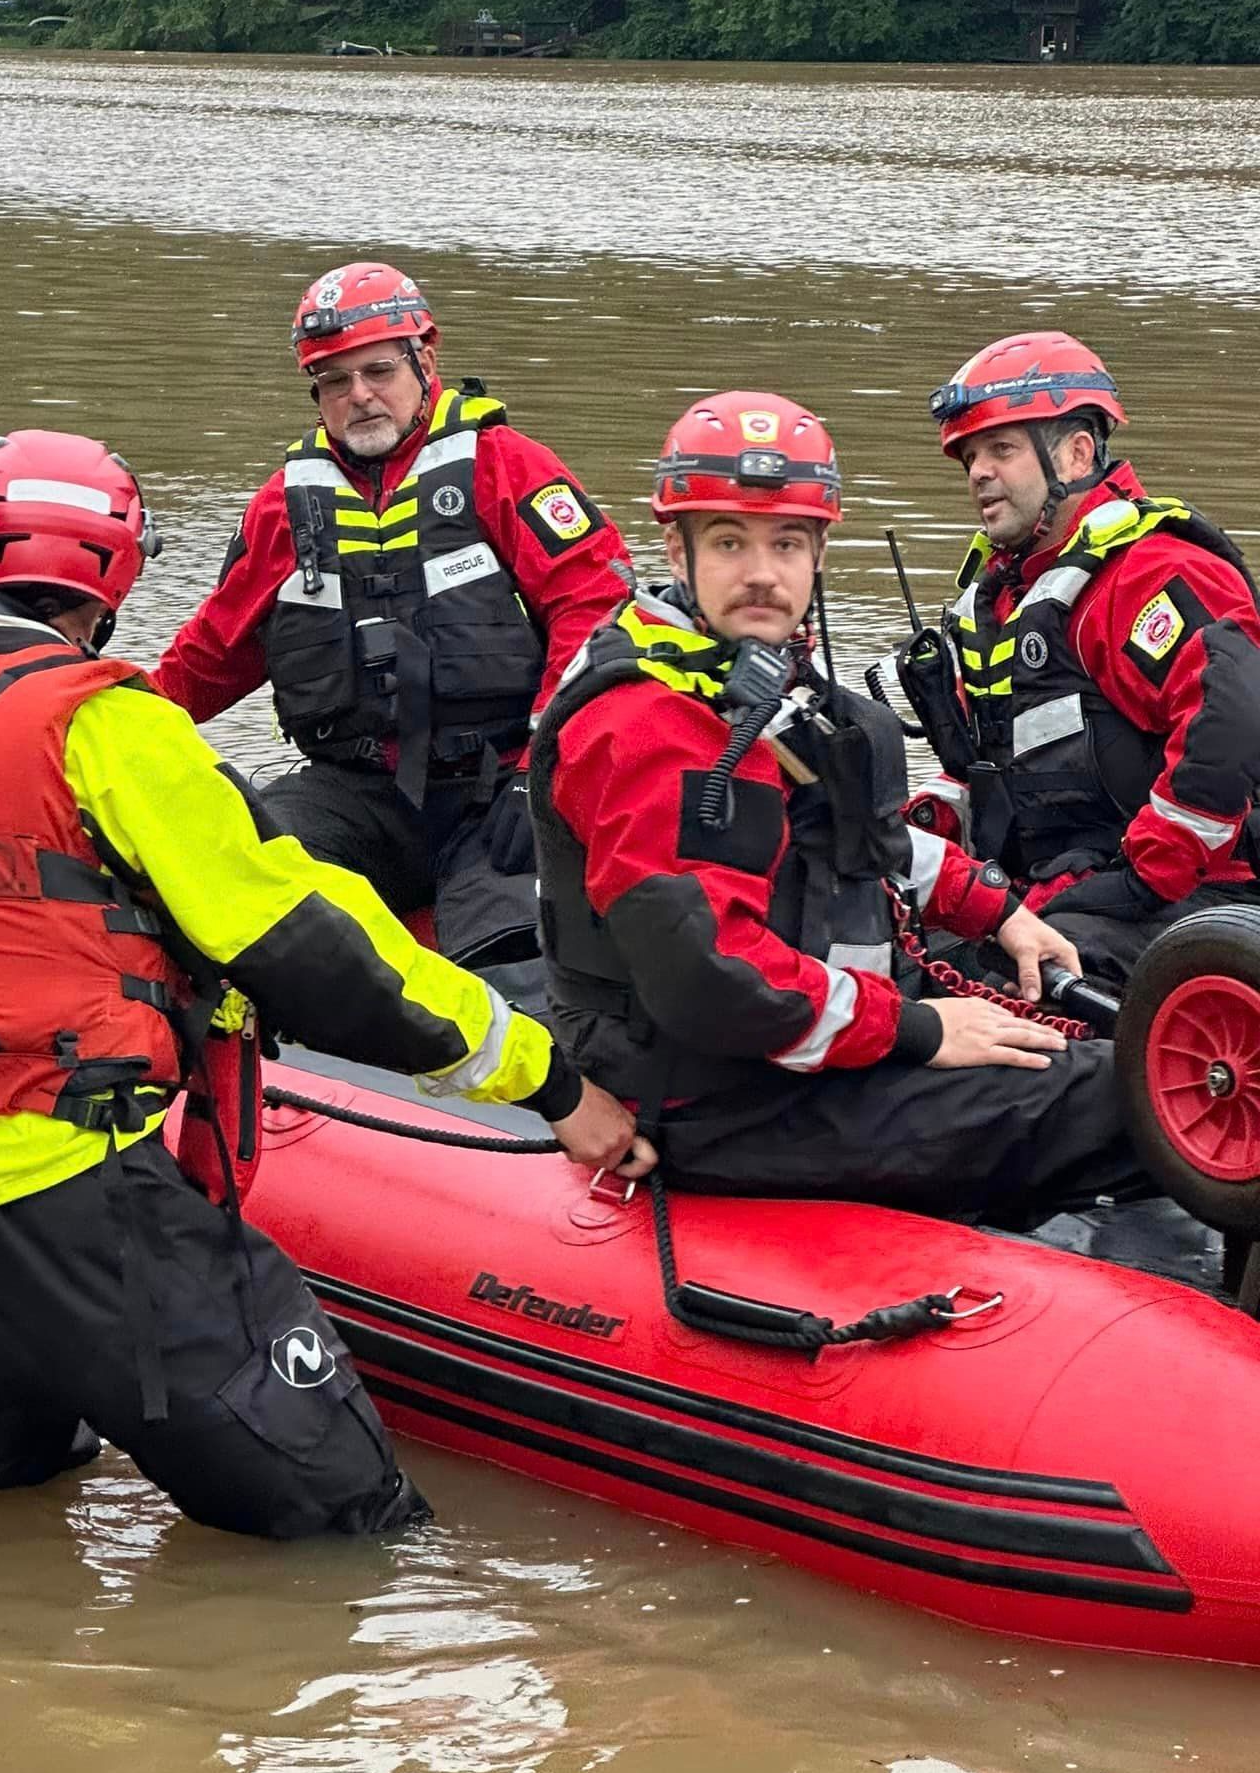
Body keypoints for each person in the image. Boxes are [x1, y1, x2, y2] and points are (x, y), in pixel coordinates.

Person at [0, 429, 650, 1540]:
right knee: (354, 1527)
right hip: (75, 1201)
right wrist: (553, 1082)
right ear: (117, 577)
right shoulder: (105, 719)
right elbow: (306, 946)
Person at [527, 390, 1153, 1230]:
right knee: (1121, 1097)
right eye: (728, 542)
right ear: (674, 548)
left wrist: (1000, 914)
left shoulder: (754, 675)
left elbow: (864, 841)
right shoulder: (645, 725)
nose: (762, 572)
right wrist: (919, 1032)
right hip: (713, 1090)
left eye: (787, 543)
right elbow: (711, 982)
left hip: (807, 1038)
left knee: (1096, 994)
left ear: (820, 551)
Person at [155, 262, 630, 999]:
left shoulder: (507, 467)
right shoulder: (285, 504)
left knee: (516, 960)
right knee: (238, 881)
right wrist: (108, 718)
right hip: (356, 789)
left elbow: (594, 606)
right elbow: (213, 655)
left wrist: (546, 764)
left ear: (425, 360)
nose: (360, 396)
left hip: (497, 785)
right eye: (335, 381)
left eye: (378, 371)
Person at [902, 330, 1260, 987]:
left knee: (1001, 993)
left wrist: (1143, 873)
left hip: (1183, 895)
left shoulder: (1150, 573)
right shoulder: (1002, 596)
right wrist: (931, 821)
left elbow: (1232, 722)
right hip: (1055, 878)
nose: (979, 471)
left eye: (1002, 449)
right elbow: (998, 755)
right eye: (971, 456)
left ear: (1075, 453)